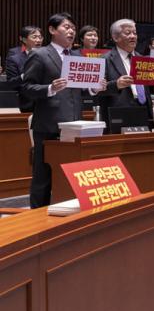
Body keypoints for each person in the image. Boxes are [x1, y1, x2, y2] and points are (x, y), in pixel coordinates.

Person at [21, 13, 105, 208]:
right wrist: (50, 88)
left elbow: (81, 88)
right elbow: (26, 88)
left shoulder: (77, 56)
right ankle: (37, 216)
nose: (71, 31)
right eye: (66, 27)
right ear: (52, 29)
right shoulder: (40, 54)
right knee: (43, 176)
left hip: (74, 124)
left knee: (71, 174)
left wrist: (94, 88)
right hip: (48, 124)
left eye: (73, 28)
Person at [97, 19, 154, 131]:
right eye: (128, 33)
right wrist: (116, 85)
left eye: (135, 33)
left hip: (144, 110)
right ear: (115, 37)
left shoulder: (142, 59)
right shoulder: (104, 60)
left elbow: (148, 88)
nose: (133, 36)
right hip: (119, 113)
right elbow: (96, 90)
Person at [6, 25, 43, 112]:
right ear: (24, 39)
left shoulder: (48, 55)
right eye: (34, 37)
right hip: (28, 103)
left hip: (48, 102)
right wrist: (24, 75)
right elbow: (11, 83)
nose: (38, 40)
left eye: (40, 37)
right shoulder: (15, 59)